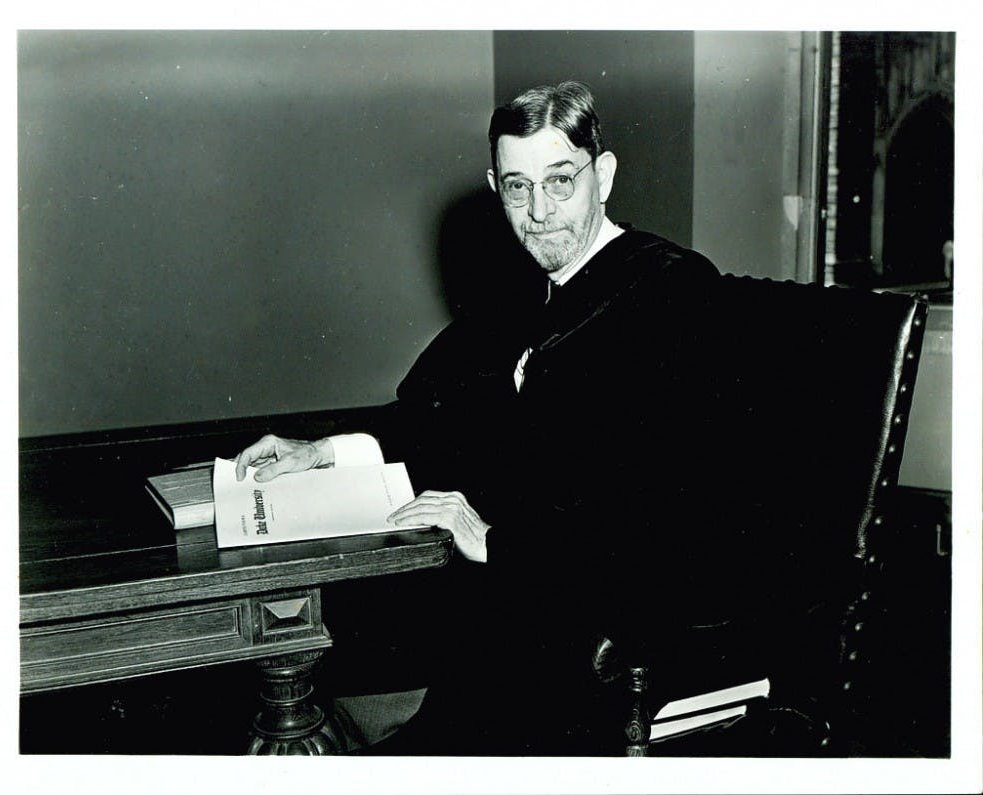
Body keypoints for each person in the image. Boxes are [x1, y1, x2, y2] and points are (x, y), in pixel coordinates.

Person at [234, 81, 727, 754]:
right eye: (518, 188)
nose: (540, 212)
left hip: (584, 636)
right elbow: (430, 417)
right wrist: (320, 452)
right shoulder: (519, 296)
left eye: (561, 181)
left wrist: (494, 539)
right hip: (492, 620)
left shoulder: (672, 291)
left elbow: (657, 507)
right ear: (496, 187)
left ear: (602, 176)